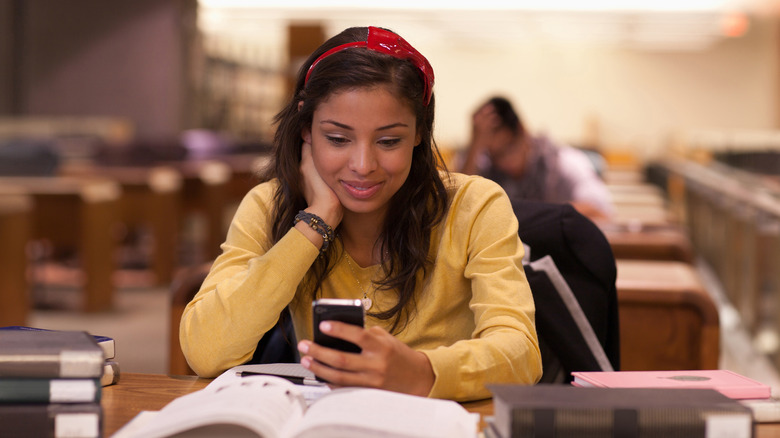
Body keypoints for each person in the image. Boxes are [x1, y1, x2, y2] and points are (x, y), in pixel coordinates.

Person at [179, 26, 542, 402]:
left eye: (389, 141)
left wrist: (422, 372)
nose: (363, 165)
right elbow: (206, 351)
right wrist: (316, 221)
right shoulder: (270, 205)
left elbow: (521, 354)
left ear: (419, 132)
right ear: (306, 128)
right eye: (338, 139)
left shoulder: (475, 206)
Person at [460, 96, 613, 221]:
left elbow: (601, 210)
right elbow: (458, 205)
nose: (505, 163)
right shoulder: (485, 166)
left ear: (522, 130)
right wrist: (475, 146)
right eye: (496, 156)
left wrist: (540, 215)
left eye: (509, 150)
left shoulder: (563, 161)